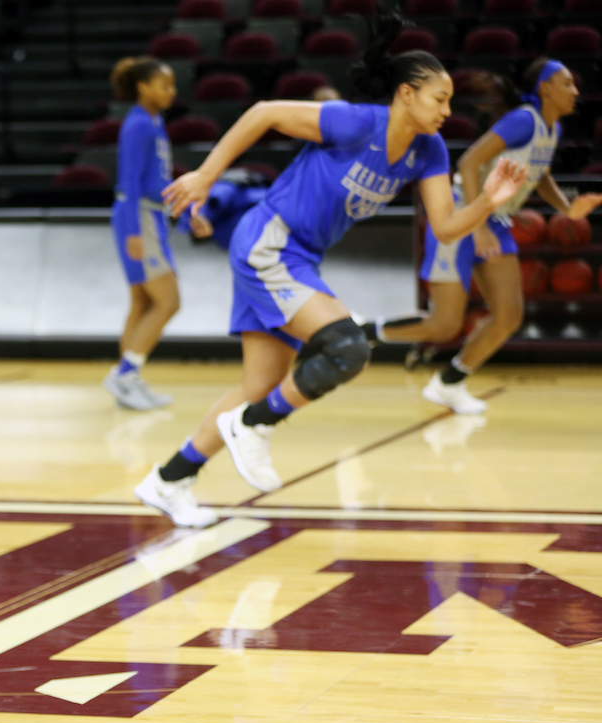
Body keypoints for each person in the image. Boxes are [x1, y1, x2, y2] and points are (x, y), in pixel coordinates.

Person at [132, 17, 527, 526]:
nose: (448, 113)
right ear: (406, 95)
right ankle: (254, 425)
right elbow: (265, 112)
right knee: (347, 346)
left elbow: (448, 228)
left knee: (259, 383)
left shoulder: (427, 151)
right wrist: (206, 175)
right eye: (439, 99)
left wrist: (489, 202)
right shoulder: (355, 122)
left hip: (297, 258)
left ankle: (168, 479)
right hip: (267, 244)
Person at [364, 58, 602, 413]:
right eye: (566, 83)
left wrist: (567, 209)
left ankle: (449, 383)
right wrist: (476, 227)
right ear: (545, 88)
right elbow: (469, 163)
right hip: (461, 215)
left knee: (508, 316)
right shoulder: (523, 120)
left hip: (497, 220)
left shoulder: (550, 130)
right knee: (443, 326)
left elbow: (539, 174)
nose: (575, 90)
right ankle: (365, 332)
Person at [103, 56, 180, 410]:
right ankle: (125, 375)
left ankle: (127, 381)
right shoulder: (138, 125)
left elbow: (156, 177)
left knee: (143, 301)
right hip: (139, 218)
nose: (171, 92)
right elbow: (130, 182)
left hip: (150, 216)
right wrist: (134, 230)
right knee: (168, 301)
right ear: (143, 87)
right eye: (164, 85)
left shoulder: (154, 121)